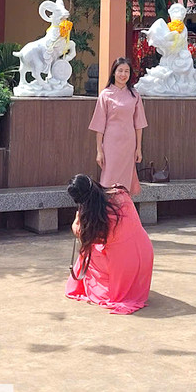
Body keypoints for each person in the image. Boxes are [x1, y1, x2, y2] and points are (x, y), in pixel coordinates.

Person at [65, 173, 153, 314]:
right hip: (144, 253)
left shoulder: (94, 218)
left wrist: (77, 221)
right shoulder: (119, 192)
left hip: (124, 265)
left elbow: (83, 236)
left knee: (89, 251)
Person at [90, 58, 147, 196]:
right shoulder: (105, 95)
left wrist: (138, 149)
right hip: (110, 143)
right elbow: (99, 125)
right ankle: (107, 212)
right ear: (114, 72)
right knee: (108, 177)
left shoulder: (134, 95)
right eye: (120, 70)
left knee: (125, 180)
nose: (123, 74)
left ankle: (123, 212)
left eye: (127, 71)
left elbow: (139, 124)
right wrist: (99, 150)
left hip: (129, 143)